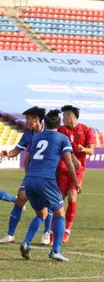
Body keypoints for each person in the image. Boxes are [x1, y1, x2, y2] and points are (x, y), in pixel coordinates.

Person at [20, 109, 81, 262]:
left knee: (41, 214)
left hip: (30, 179)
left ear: (44, 123)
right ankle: (56, 251)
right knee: (60, 213)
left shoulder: (35, 138)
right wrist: (75, 180)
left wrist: (28, 177)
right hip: (46, 180)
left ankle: (26, 242)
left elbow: (26, 160)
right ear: (59, 124)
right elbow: (68, 161)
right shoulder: (62, 138)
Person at [0, 106, 53, 245]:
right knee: (20, 200)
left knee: (47, 204)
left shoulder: (50, 133)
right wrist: (8, 154)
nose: (26, 121)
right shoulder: (28, 135)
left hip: (47, 175)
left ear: (36, 119)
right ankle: (10, 234)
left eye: (28, 119)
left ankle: (47, 233)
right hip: (31, 175)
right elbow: (16, 150)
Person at [51, 105, 94, 244]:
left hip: (78, 169)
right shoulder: (62, 130)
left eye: (64, 116)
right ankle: (52, 231)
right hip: (63, 167)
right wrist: (72, 156)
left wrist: (84, 149)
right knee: (59, 199)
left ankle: (67, 231)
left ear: (71, 116)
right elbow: (61, 148)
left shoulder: (87, 129)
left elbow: (91, 151)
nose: (62, 119)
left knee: (72, 196)